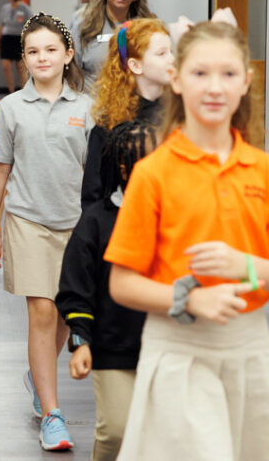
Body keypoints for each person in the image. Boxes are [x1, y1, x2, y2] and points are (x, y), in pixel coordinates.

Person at [104, 21, 269, 461]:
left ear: (247, 82)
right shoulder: (153, 173)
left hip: (250, 350)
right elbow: (122, 284)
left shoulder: (264, 171)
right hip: (179, 348)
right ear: (176, 79)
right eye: (200, 74)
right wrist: (189, 300)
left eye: (228, 74)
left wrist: (245, 266)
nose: (214, 88)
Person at [0, 12, 93, 452]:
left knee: (67, 315)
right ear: (23, 59)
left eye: (51, 49)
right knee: (42, 313)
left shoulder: (88, 108)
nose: (41, 58)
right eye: (32, 51)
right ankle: (52, 414)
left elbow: (95, 172)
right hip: (27, 220)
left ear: (68, 55)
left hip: (77, 226)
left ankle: (38, 371)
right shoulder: (10, 108)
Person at [56, 120, 151, 461]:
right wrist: (80, 342)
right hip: (113, 349)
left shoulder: (177, 219)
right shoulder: (96, 222)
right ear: (123, 166)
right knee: (116, 432)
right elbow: (75, 290)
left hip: (170, 348)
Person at [81, 19, 172, 208]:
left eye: (171, 51)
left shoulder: (180, 116)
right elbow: (93, 197)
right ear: (135, 65)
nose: (172, 59)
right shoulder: (109, 127)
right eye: (162, 54)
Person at [69, 0, 156, 91]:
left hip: (136, 106)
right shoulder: (84, 26)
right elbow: (72, 72)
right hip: (92, 106)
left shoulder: (148, 26)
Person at [0, 0, 32, 93]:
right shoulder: (5, 7)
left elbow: (30, 25)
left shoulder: (25, 8)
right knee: (6, 66)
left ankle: (24, 91)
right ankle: (11, 91)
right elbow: (2, 24)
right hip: (6, 38)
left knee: (21, 67)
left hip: (18, 39)